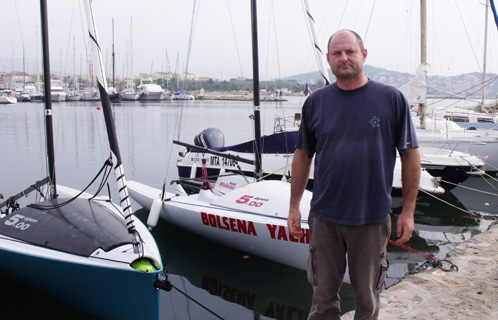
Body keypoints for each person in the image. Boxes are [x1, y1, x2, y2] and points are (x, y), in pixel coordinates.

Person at [287, 29, 421, 319]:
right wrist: (294, 206)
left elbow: (410, 154)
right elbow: (302, 155)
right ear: (328, 59)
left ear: (364, 55)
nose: (343, 58)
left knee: (367, 299)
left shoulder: (391, 99)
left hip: (370, 219)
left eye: (350, 51)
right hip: (324, 218)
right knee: (322, 300)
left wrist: (408, 211)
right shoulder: (316, 102)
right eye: (336, 53)